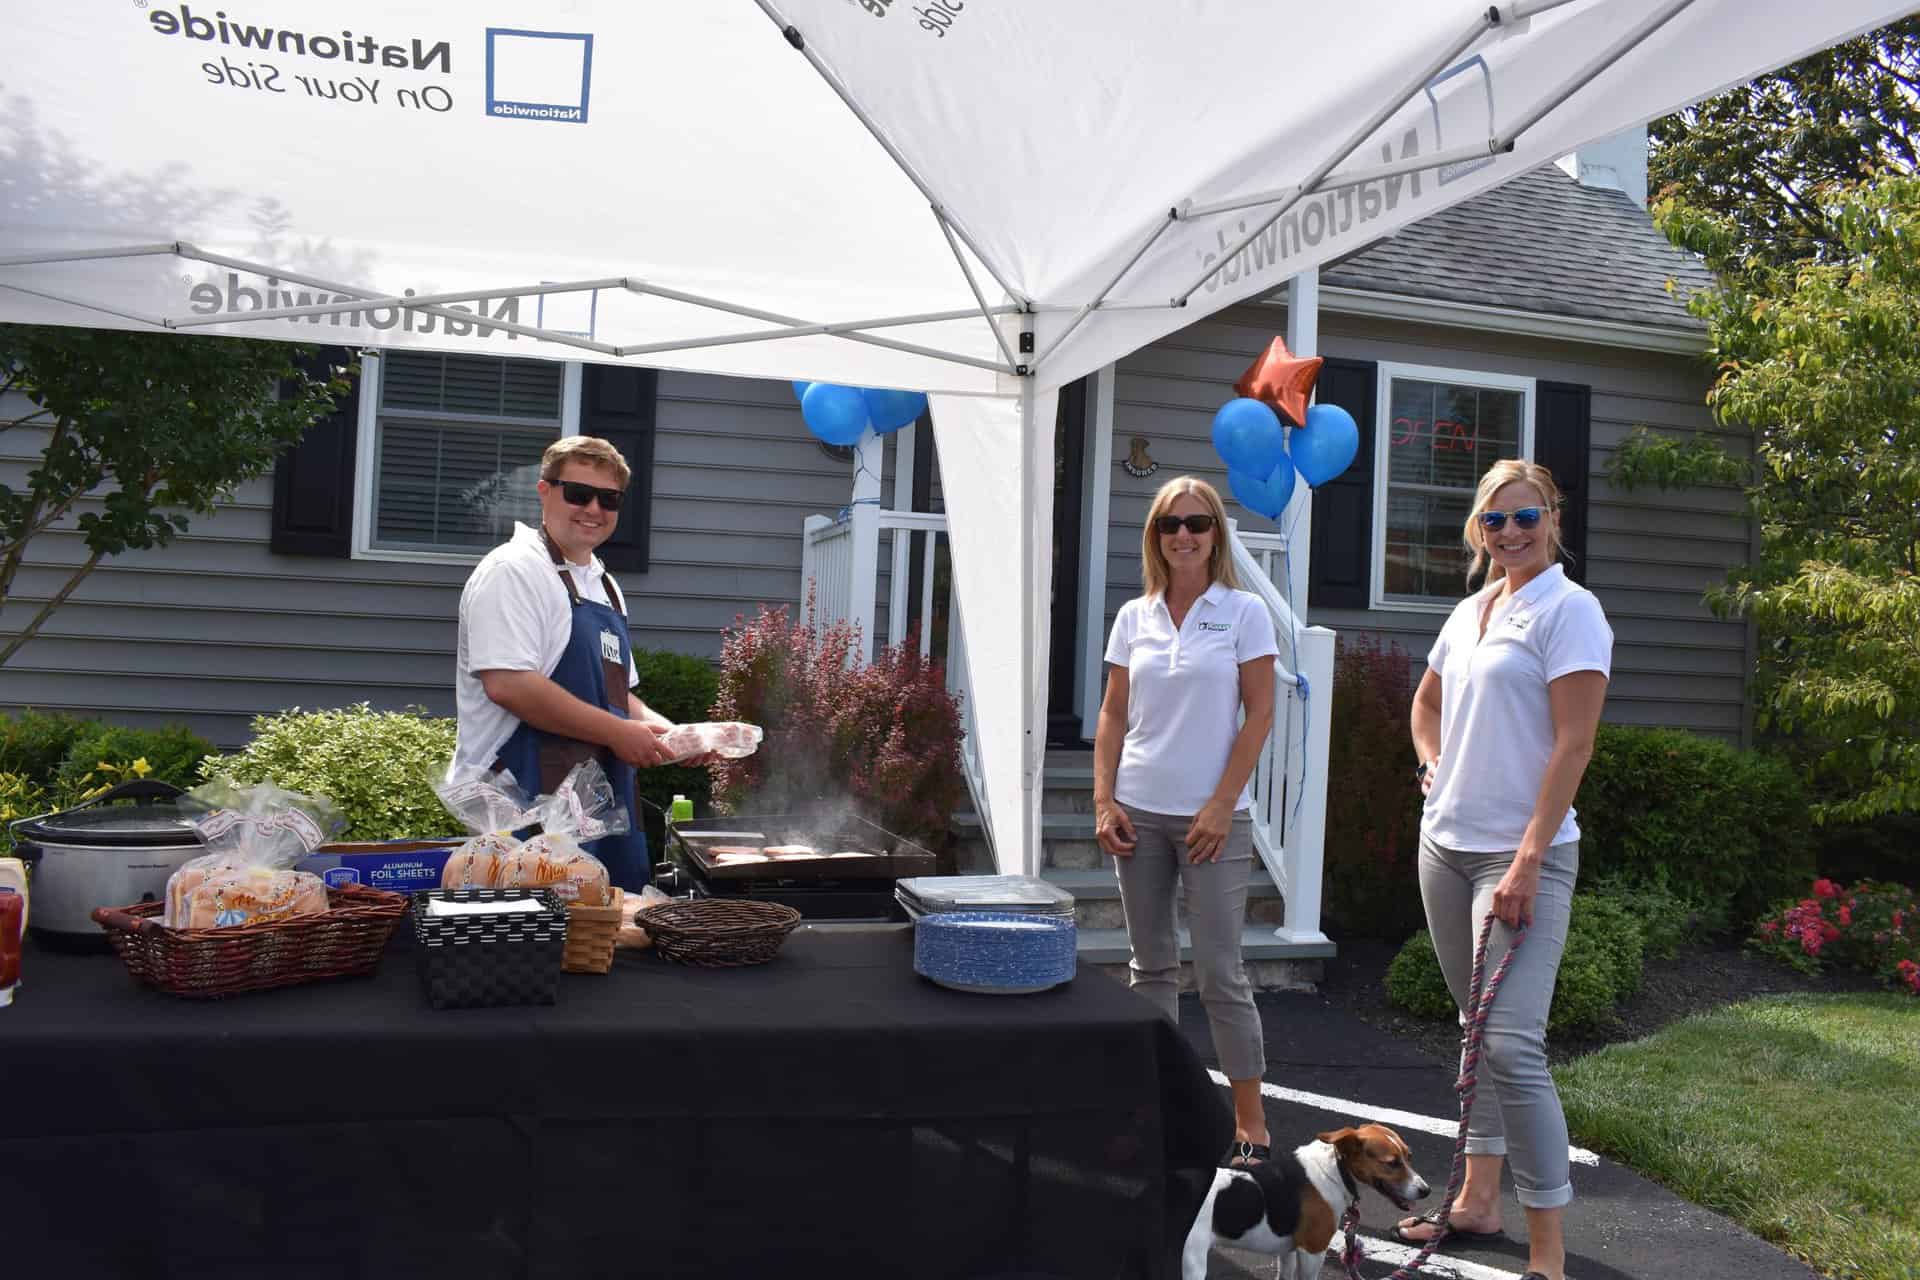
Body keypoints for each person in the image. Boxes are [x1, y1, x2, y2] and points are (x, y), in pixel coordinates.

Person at [1391, 458, 1611, 1280]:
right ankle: (1477, 1203)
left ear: (1552, 518)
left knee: (1513, 1046)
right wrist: (1431, 768)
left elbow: (1575, 743)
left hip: (1524, 859)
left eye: (1526, 517)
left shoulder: (1571, 610)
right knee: (1472, 1030)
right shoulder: (1472, 609)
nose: (1511, 533)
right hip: (1444, 845)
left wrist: (1524, 861)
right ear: (1477, 529)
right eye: (1496, 520)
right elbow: (1426, 704)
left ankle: (1549, 1257)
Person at [1093, 475, 1279, 1168]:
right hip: (1137, 813)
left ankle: (1251, 1124)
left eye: (1197, 523)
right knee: (1151, 969)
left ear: (1216, 533)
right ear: (1155, 536)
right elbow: (1113, 713)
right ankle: (1158, 1109)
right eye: (1171, 524)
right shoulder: (1132, 617)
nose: (1184, 535)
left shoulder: (1244, 613)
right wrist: (1103, 800)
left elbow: (1260, 711)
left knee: (1223, 973)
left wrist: (1223, 802)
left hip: (1212, 821)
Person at [451, 435, 686, 891]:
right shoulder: (514, 571)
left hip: (600, 806)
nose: (593, 509)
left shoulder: (605, 585)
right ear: (544, 491)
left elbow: (618, 698)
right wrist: (620, 733)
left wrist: (674, 735)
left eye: (609, 499)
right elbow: (510, 685)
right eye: (578, 494)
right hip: (520, 809)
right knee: (531, 950)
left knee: (606, 941)